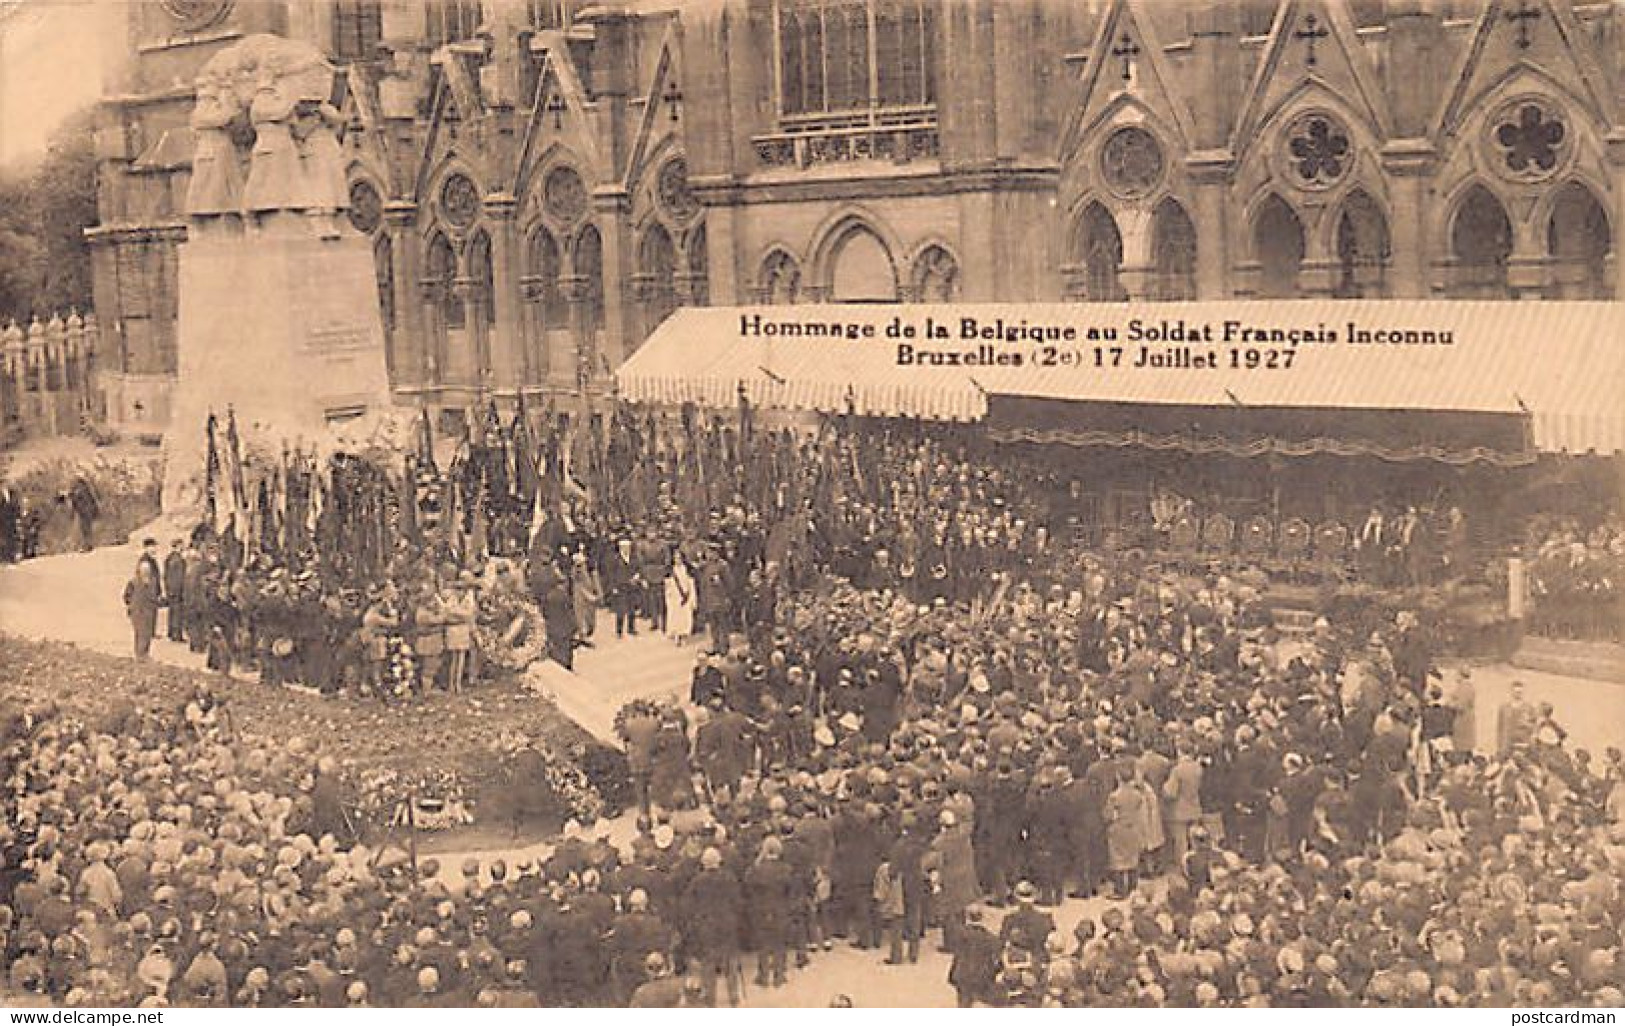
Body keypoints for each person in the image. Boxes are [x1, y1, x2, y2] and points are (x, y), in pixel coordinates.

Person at [122, 557, 162, 660]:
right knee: (140, 632)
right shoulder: (133, 582)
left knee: (148, 633)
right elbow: (126, 595)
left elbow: (155, 595)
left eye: (147, 570)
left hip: (149, 610)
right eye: (144, 570)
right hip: (138, 611)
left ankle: (145, 653)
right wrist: (131, 605)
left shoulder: (153, 581)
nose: (145, 572)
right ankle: (140, 654)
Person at [1497, 680, 1537, 756]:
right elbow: (1500, 728)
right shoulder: (1504, 708)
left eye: (1520, 692)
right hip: (1507, 744)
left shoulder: (1529, 708)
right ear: (1511, 692)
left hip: (1522, 745)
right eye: (1516, 692)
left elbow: (1534, 727)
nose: (1518, 694)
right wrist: (1499, 746)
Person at [664, 549, 695, 642]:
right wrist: (668, 597)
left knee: (685, 616)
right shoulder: (670, 570)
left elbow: (691, 584)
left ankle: (684, 634)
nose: (678, 560)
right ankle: (676, 634)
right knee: (675, 616)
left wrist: (692, 598)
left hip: (685, 596)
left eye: (679, 558)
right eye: (676, 558)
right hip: (674, 596)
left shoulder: (687, 569)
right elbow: (667, 585)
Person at [163, 541, 188, 643]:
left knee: (172, 612)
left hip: (171, 589)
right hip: (177, 590)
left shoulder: (169, 557)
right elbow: (178, 577)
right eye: (182, 545)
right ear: (178, 546)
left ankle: (171, 632)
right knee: (177, 613)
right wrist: (181, 590)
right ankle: (177, 635)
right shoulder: (178, 560)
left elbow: (166, 575)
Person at [68, 475, 99, 551]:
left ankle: (87, 545)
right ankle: (87, 545)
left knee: (85, 529)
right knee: (85, 529)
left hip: (85, 512)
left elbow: (76, 501)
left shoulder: (81, 491)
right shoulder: (85, 491)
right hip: (83, 512)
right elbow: (74, 502)